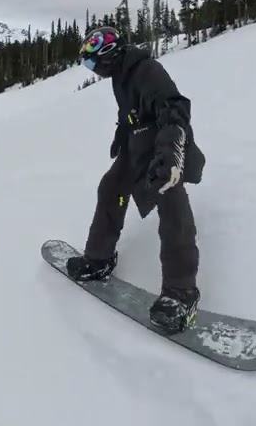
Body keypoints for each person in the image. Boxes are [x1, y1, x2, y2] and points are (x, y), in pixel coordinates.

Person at [66, 25, 206, 333]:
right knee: (112, 188)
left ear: (107, 55)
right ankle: (99, 258)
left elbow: (174, 109)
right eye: (86, 65)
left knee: (171, 206)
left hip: (164, 148)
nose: (93, 70)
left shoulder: (146, 70)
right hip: (139, 146)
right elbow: (134, 110)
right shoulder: (122, 73)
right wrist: (122, 133)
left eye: (91, 63)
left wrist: (171, 156)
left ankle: (181, 293)